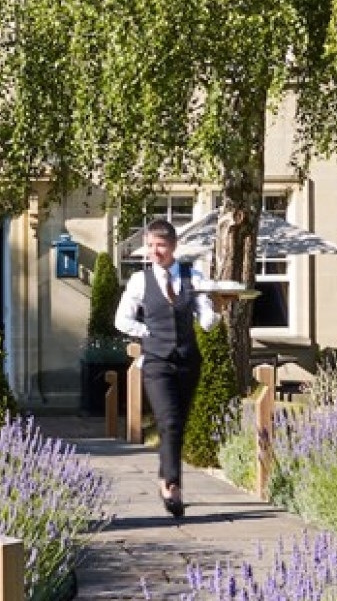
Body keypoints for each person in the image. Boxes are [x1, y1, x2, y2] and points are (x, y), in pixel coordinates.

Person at [114, 219, 222, 518]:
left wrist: (216, 314)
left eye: (160, 245)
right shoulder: (140, 281)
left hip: (188, 360)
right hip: (156, 362)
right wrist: (148, 333)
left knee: (177, 424)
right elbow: (121, 320)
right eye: (150, 246)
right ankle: (173, 487)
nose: (154, 251)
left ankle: (165, 476)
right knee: (169, 421)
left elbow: (205, 317)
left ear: (173, 246)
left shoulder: (193, 276)